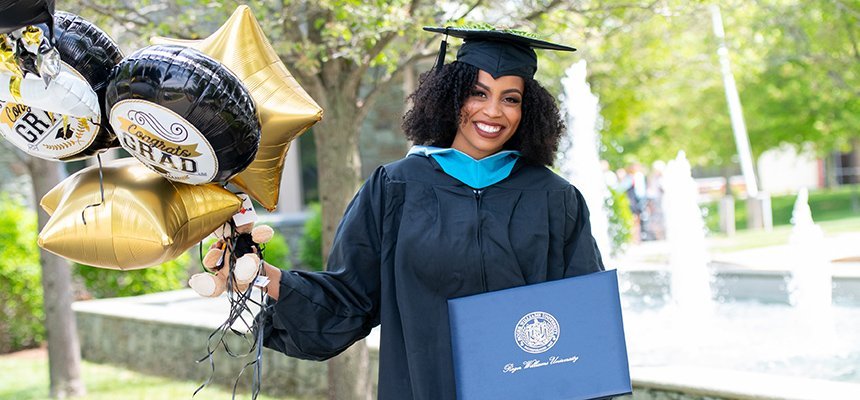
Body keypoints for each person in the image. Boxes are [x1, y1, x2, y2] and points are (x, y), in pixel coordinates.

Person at [257, 26, 605, 400]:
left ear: (528, 110)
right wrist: (262, 276)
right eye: (478, 93)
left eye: (511, 98)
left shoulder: (555, 199)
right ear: (452, 96)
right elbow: (348, 300)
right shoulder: (394, 188)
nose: (492, 111)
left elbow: (585, 320)